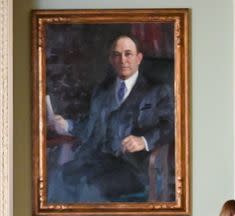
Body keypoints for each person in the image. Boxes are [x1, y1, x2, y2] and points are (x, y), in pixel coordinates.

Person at [48, 34, 174, 202]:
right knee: (58, 176)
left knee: (89, 188)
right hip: (97, 160)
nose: (122, 60)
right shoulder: (102, 91)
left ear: (139, 58)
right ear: (111, 60)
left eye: (128, 54)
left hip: (133, 167)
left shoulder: (157, 91)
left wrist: (143, 140)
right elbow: (91, 125)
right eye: (116, 54)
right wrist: (67, 125)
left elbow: (171, 126)